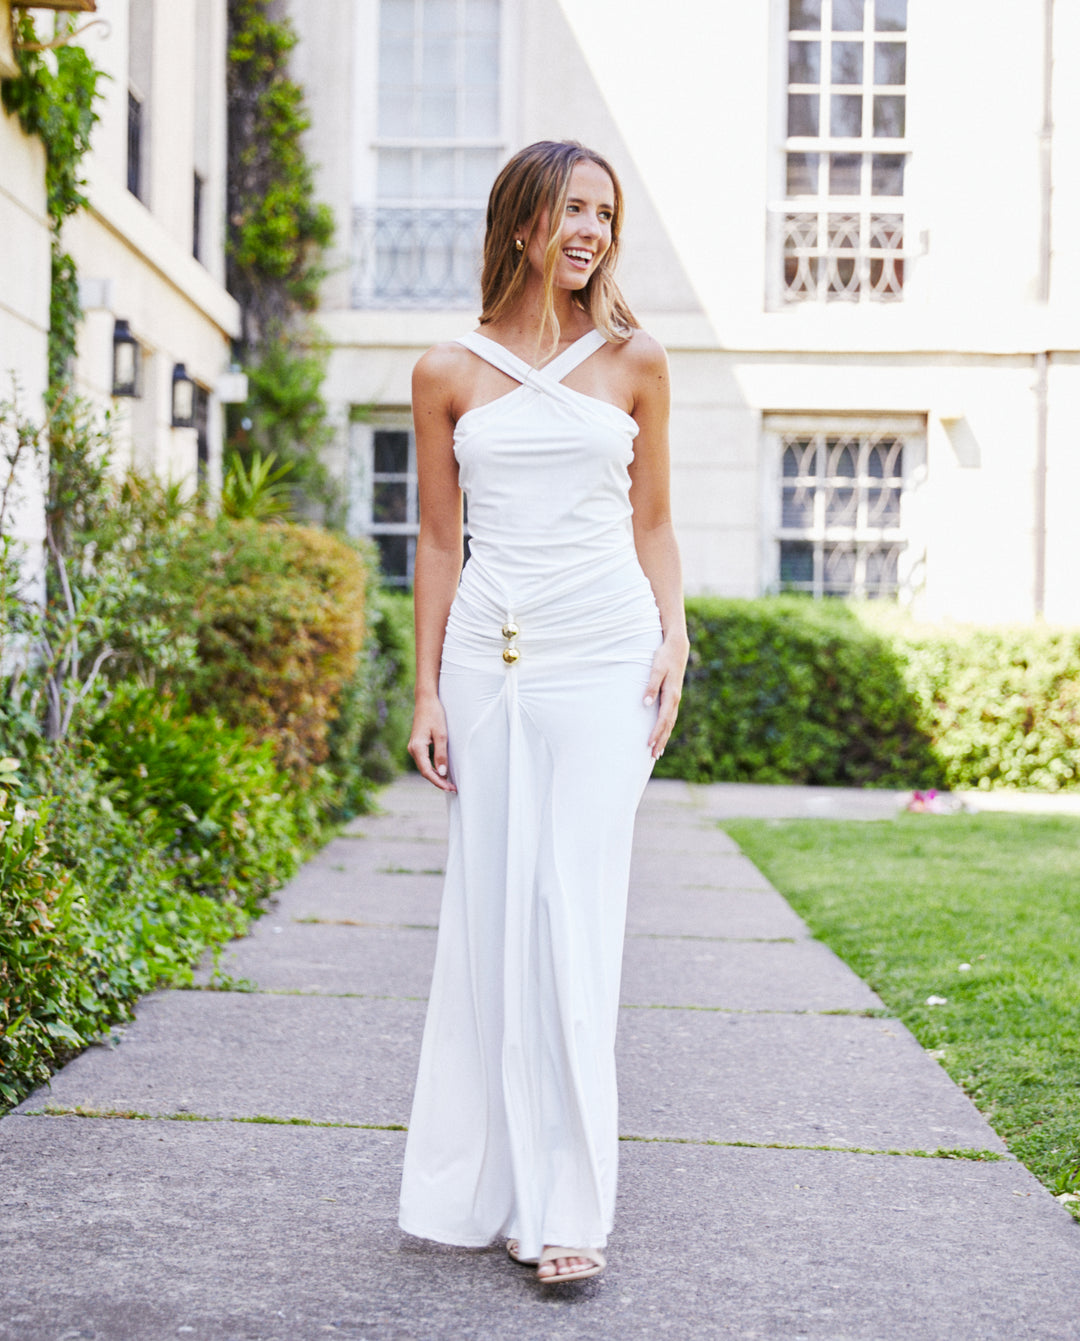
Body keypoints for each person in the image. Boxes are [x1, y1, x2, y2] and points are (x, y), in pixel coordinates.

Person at [398, 140, 689, 1285]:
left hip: (606, 657)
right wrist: (425, 685)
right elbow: (434, 542)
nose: (593, 232)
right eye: (574, 209)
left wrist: (676, 635)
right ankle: (504, 1193)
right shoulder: (446, 372)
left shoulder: (636, 362)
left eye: (606, 214)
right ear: (523, 220)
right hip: (489, 664)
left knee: (575, 916)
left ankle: (570, 1211)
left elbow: (655, 524)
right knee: (495, 923)